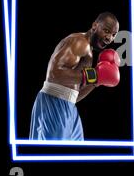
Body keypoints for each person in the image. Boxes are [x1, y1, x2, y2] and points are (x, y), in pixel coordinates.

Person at [29, 12, 121, 141]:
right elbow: (55, 73)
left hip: (69, 106)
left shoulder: (89, 52)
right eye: (106, 31)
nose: (109, 38)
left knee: (76, 156)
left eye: (113, 34)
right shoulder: (79, 42)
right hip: (53, 104)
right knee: (52, 157)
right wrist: (95, 75)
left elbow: (73, 95)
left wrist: (96, 82)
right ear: (95, 26)